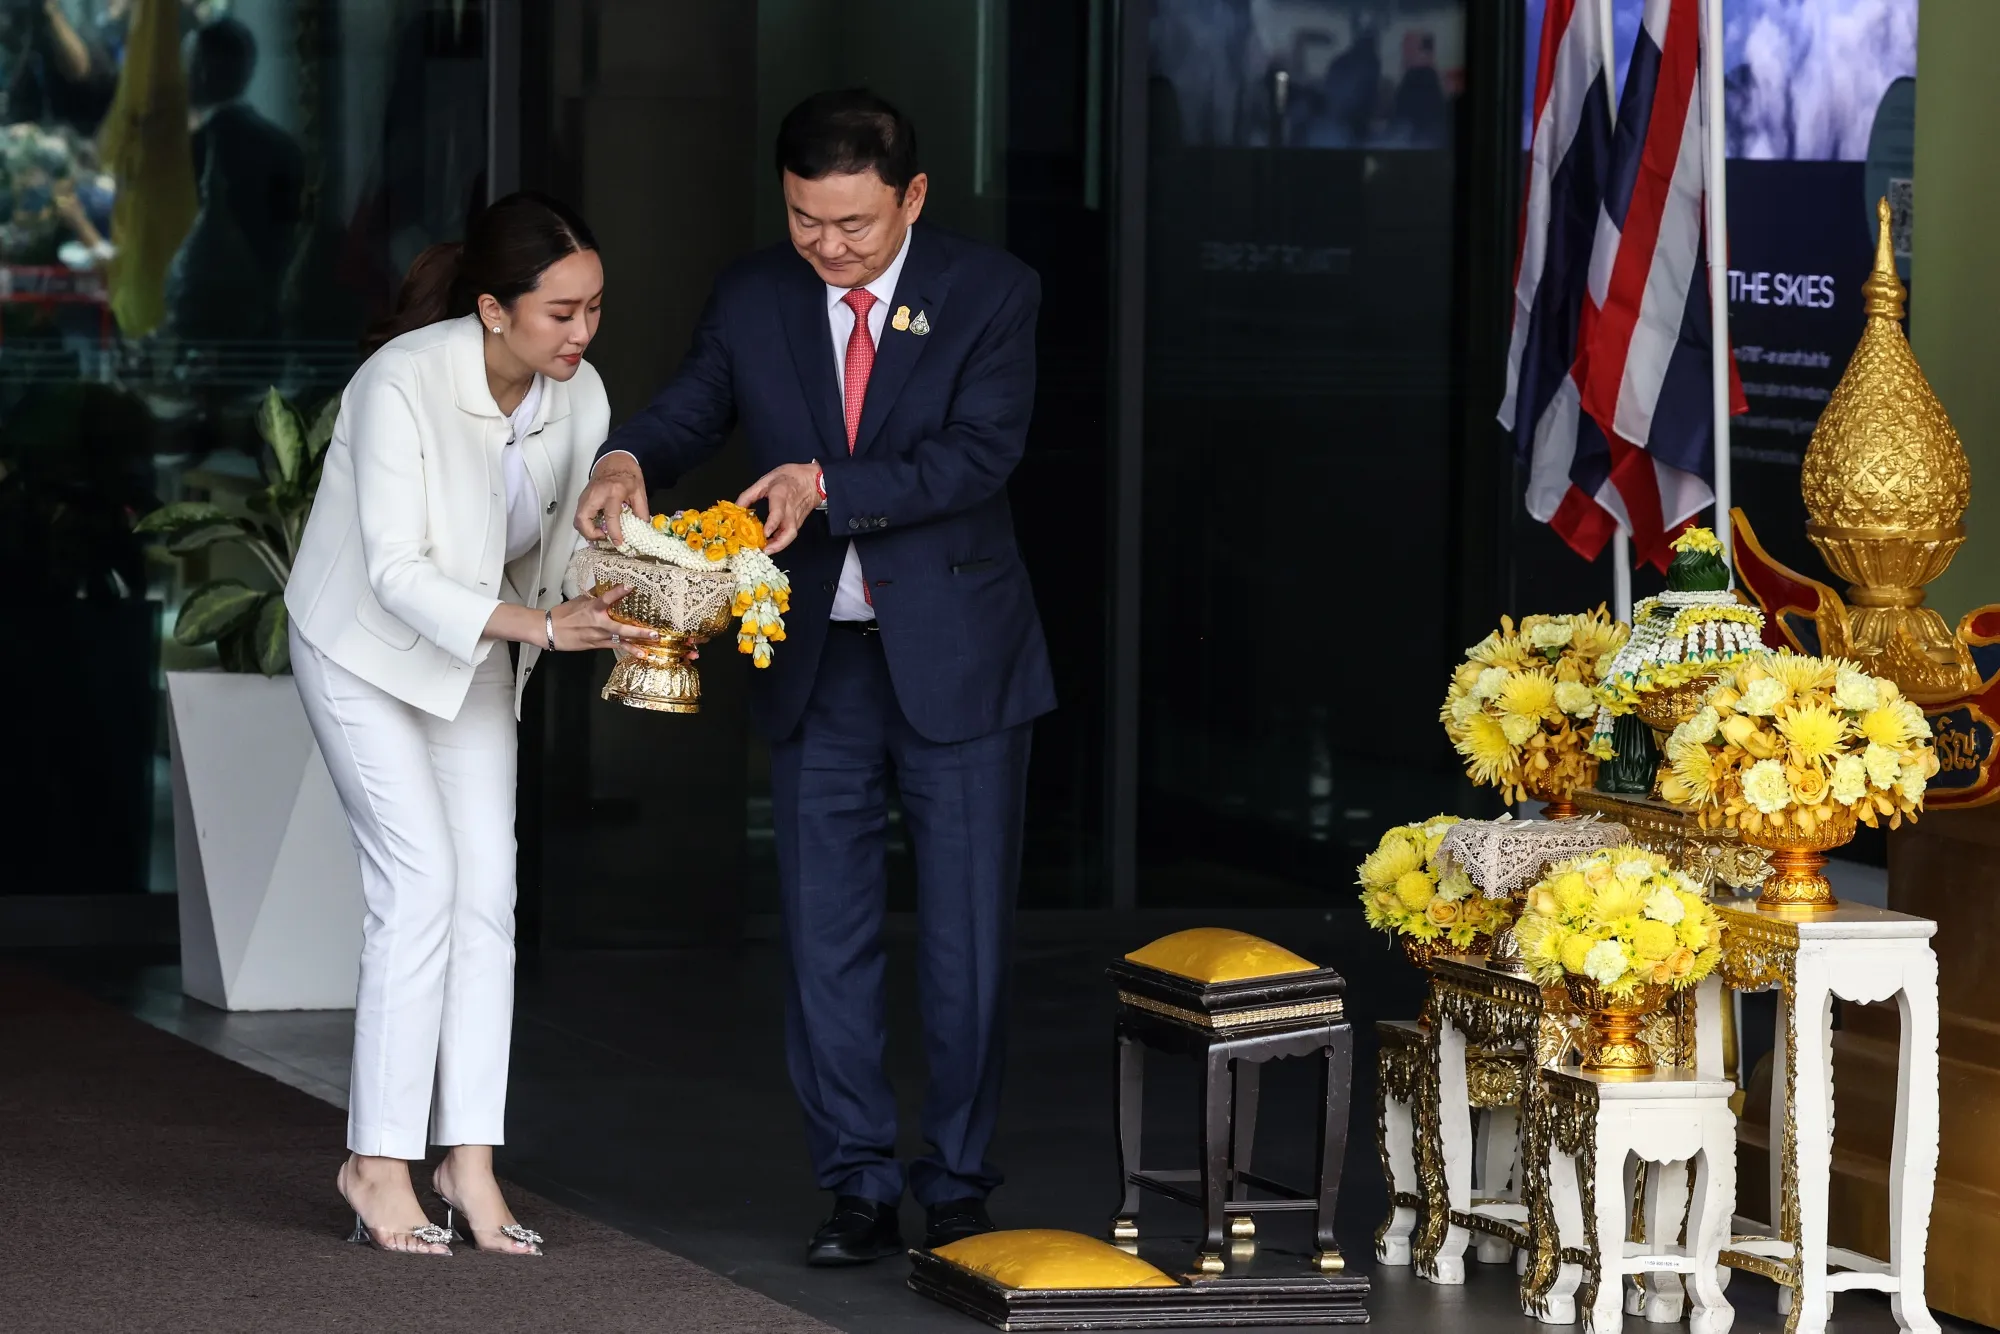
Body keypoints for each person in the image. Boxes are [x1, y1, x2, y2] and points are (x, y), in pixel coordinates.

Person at [576, 88, 1054, 1267]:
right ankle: (852, 1179)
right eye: (804, 222)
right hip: (814, 664)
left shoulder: (992, 293)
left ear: (913, 197)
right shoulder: (754, 293)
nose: (828, 249)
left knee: (964, 941)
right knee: (823, 935)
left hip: (956, 662)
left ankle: (953, 1182)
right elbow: (696, 401)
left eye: (853, 225)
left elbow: (979, 451)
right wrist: (627, 453)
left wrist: (827, 486)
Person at [287, 191, 650, 1256]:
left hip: (482, 645)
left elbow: (565, 540)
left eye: (594, 309)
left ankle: (469, 1160)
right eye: (561, 313)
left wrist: (626, 574)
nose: (582, 333)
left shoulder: (577, 395)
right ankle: (377, 1160)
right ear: (493, 309)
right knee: (419, 881)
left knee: (487, 893)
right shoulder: (398, 382)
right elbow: (396, 573)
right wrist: (545, 621)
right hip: (362, 644)